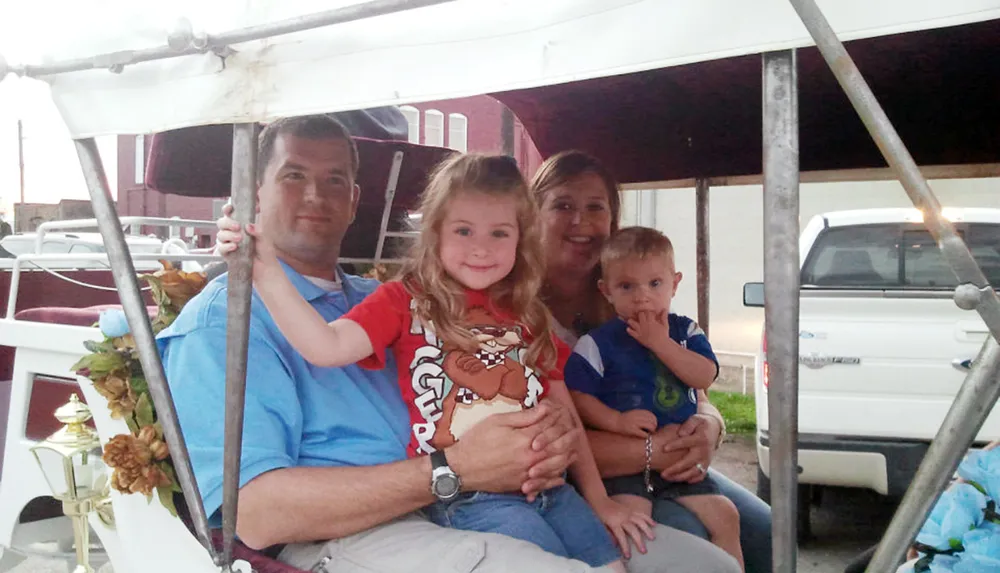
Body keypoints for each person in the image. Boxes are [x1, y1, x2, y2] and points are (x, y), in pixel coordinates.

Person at [161, 114, 740, 573]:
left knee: (706, 565)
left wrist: (558, 431)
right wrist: (454, 469)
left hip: (496, 494)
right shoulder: (228, 321)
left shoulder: (397, 296)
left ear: (357, 199)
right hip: (361, 532)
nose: (316, 194)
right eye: (294, 175)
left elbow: (534, 384)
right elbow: (258, 517)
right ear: (251, 196)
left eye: (335, 179)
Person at [215, 152, 652, 571]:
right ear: (436, 233)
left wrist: (600, 500)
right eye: (464, 231)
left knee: (611, 564)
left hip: (551, 488)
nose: (481, 248)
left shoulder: (527, 311)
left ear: (521, 239)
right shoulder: (403, 301)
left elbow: (565, 413)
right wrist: (267, 273)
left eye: (499, 233)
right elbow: (325, 347)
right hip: (475, 498)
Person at [530, 150, 773, 572]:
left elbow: (696, 387)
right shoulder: (520, 314)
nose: (580, 222)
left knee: (766, 528)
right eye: (563, 205)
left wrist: (710, 426)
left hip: (666, 466)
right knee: (691, 539)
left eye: (596, 208)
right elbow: (555, 440)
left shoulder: (634, 297)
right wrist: (652, 451)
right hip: (592, 482)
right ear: (533, 215)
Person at [565, 227, 743, 570]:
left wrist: (660, 343)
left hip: (681, 462)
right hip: (625, 465)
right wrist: (615, 421)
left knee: (726, 515)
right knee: (635, 524)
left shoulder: (685, 332)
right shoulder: (598, 343)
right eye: (627, 286)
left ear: (675, 283)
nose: (642, 297)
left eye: (655, 284)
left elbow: (704, 376)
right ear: (607, 291)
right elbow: (578, 395)